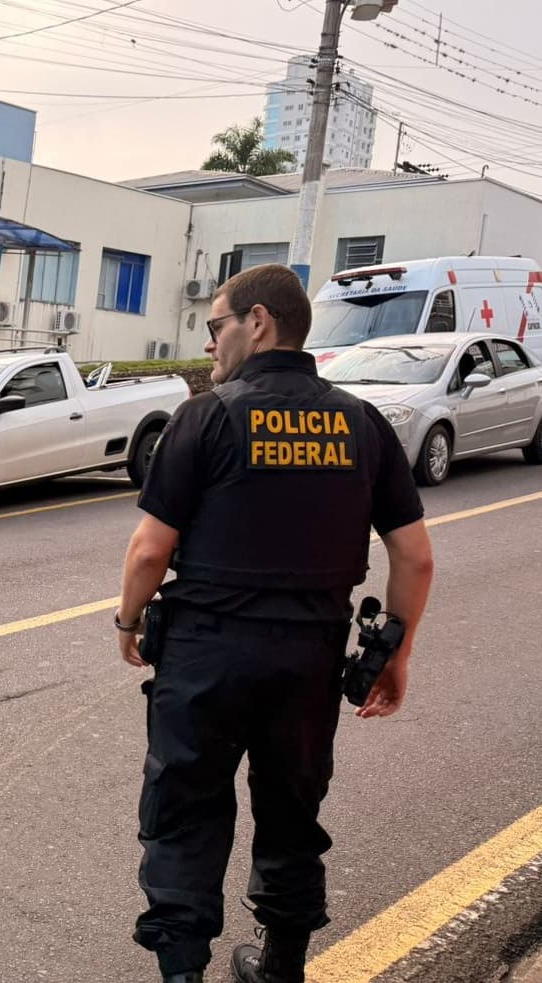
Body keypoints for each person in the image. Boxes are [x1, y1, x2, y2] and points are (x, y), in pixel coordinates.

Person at [115, 264, 435, 983]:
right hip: (307, 663)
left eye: (215, 325)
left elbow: (148, 548)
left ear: (258, 321)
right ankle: (281, 968)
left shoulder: (206, 415)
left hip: (205, 658)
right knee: (292, 815)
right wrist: (398, 653)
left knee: (185, 816)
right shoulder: (360, 422)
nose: (209, 344)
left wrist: (127, 620)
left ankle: (182, 974)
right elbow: (413, 556)